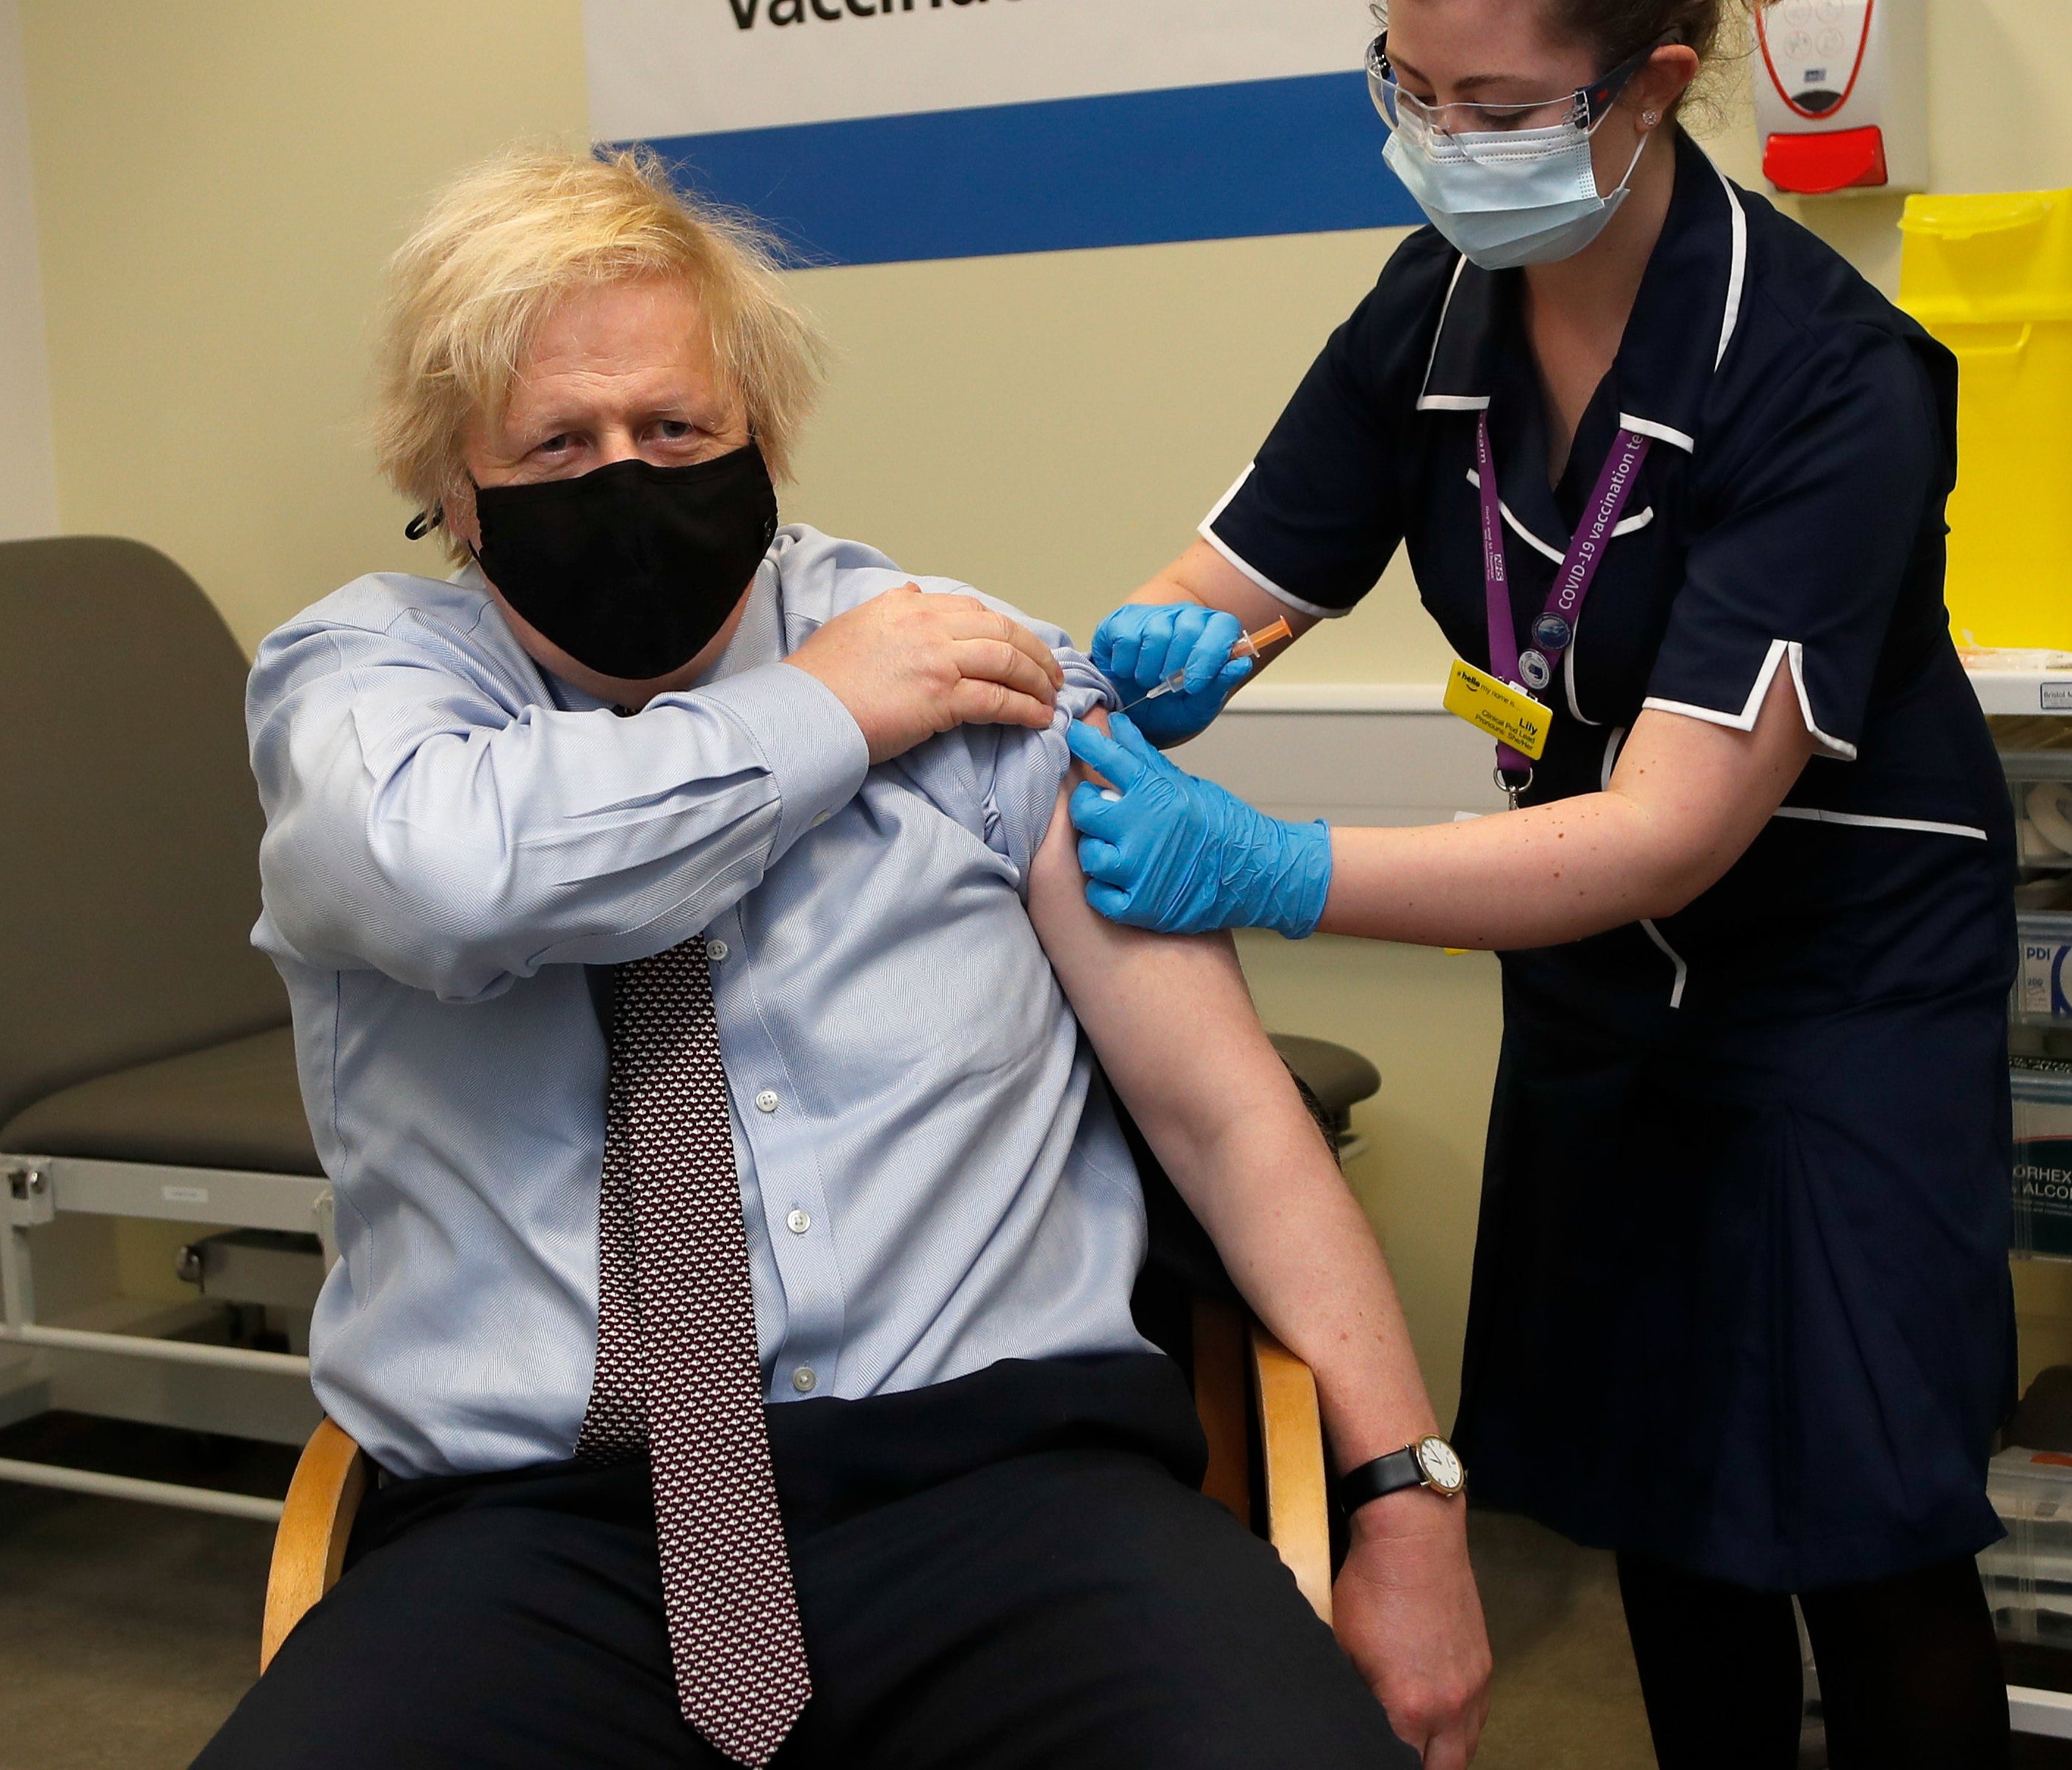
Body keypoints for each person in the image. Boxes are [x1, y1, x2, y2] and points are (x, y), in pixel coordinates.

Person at [198, 145, 1490, 1770]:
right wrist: (820, 716)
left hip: (1015, 1497)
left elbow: (1223, 1116)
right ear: (451, 490)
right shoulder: (366, 687)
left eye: (675, 429)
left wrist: (1405, 1504)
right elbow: (442, 877)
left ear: (765, 435)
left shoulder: (964, 663)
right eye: (556, 442)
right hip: (534, 1533)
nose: (625, 475)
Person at [1068, 0, 2018, 1770]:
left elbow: (1675, 820)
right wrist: (1129, 655)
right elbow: (1231, 571)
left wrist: (1279, 865)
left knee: (1860, 1531)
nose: (1441, 141)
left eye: (1498, 110)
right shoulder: (1428, 310)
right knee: (1659, 1491)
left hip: (1832, 985)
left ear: (1650, 80)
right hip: (1601, 990)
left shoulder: (1825, 376)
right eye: (1407, 85)